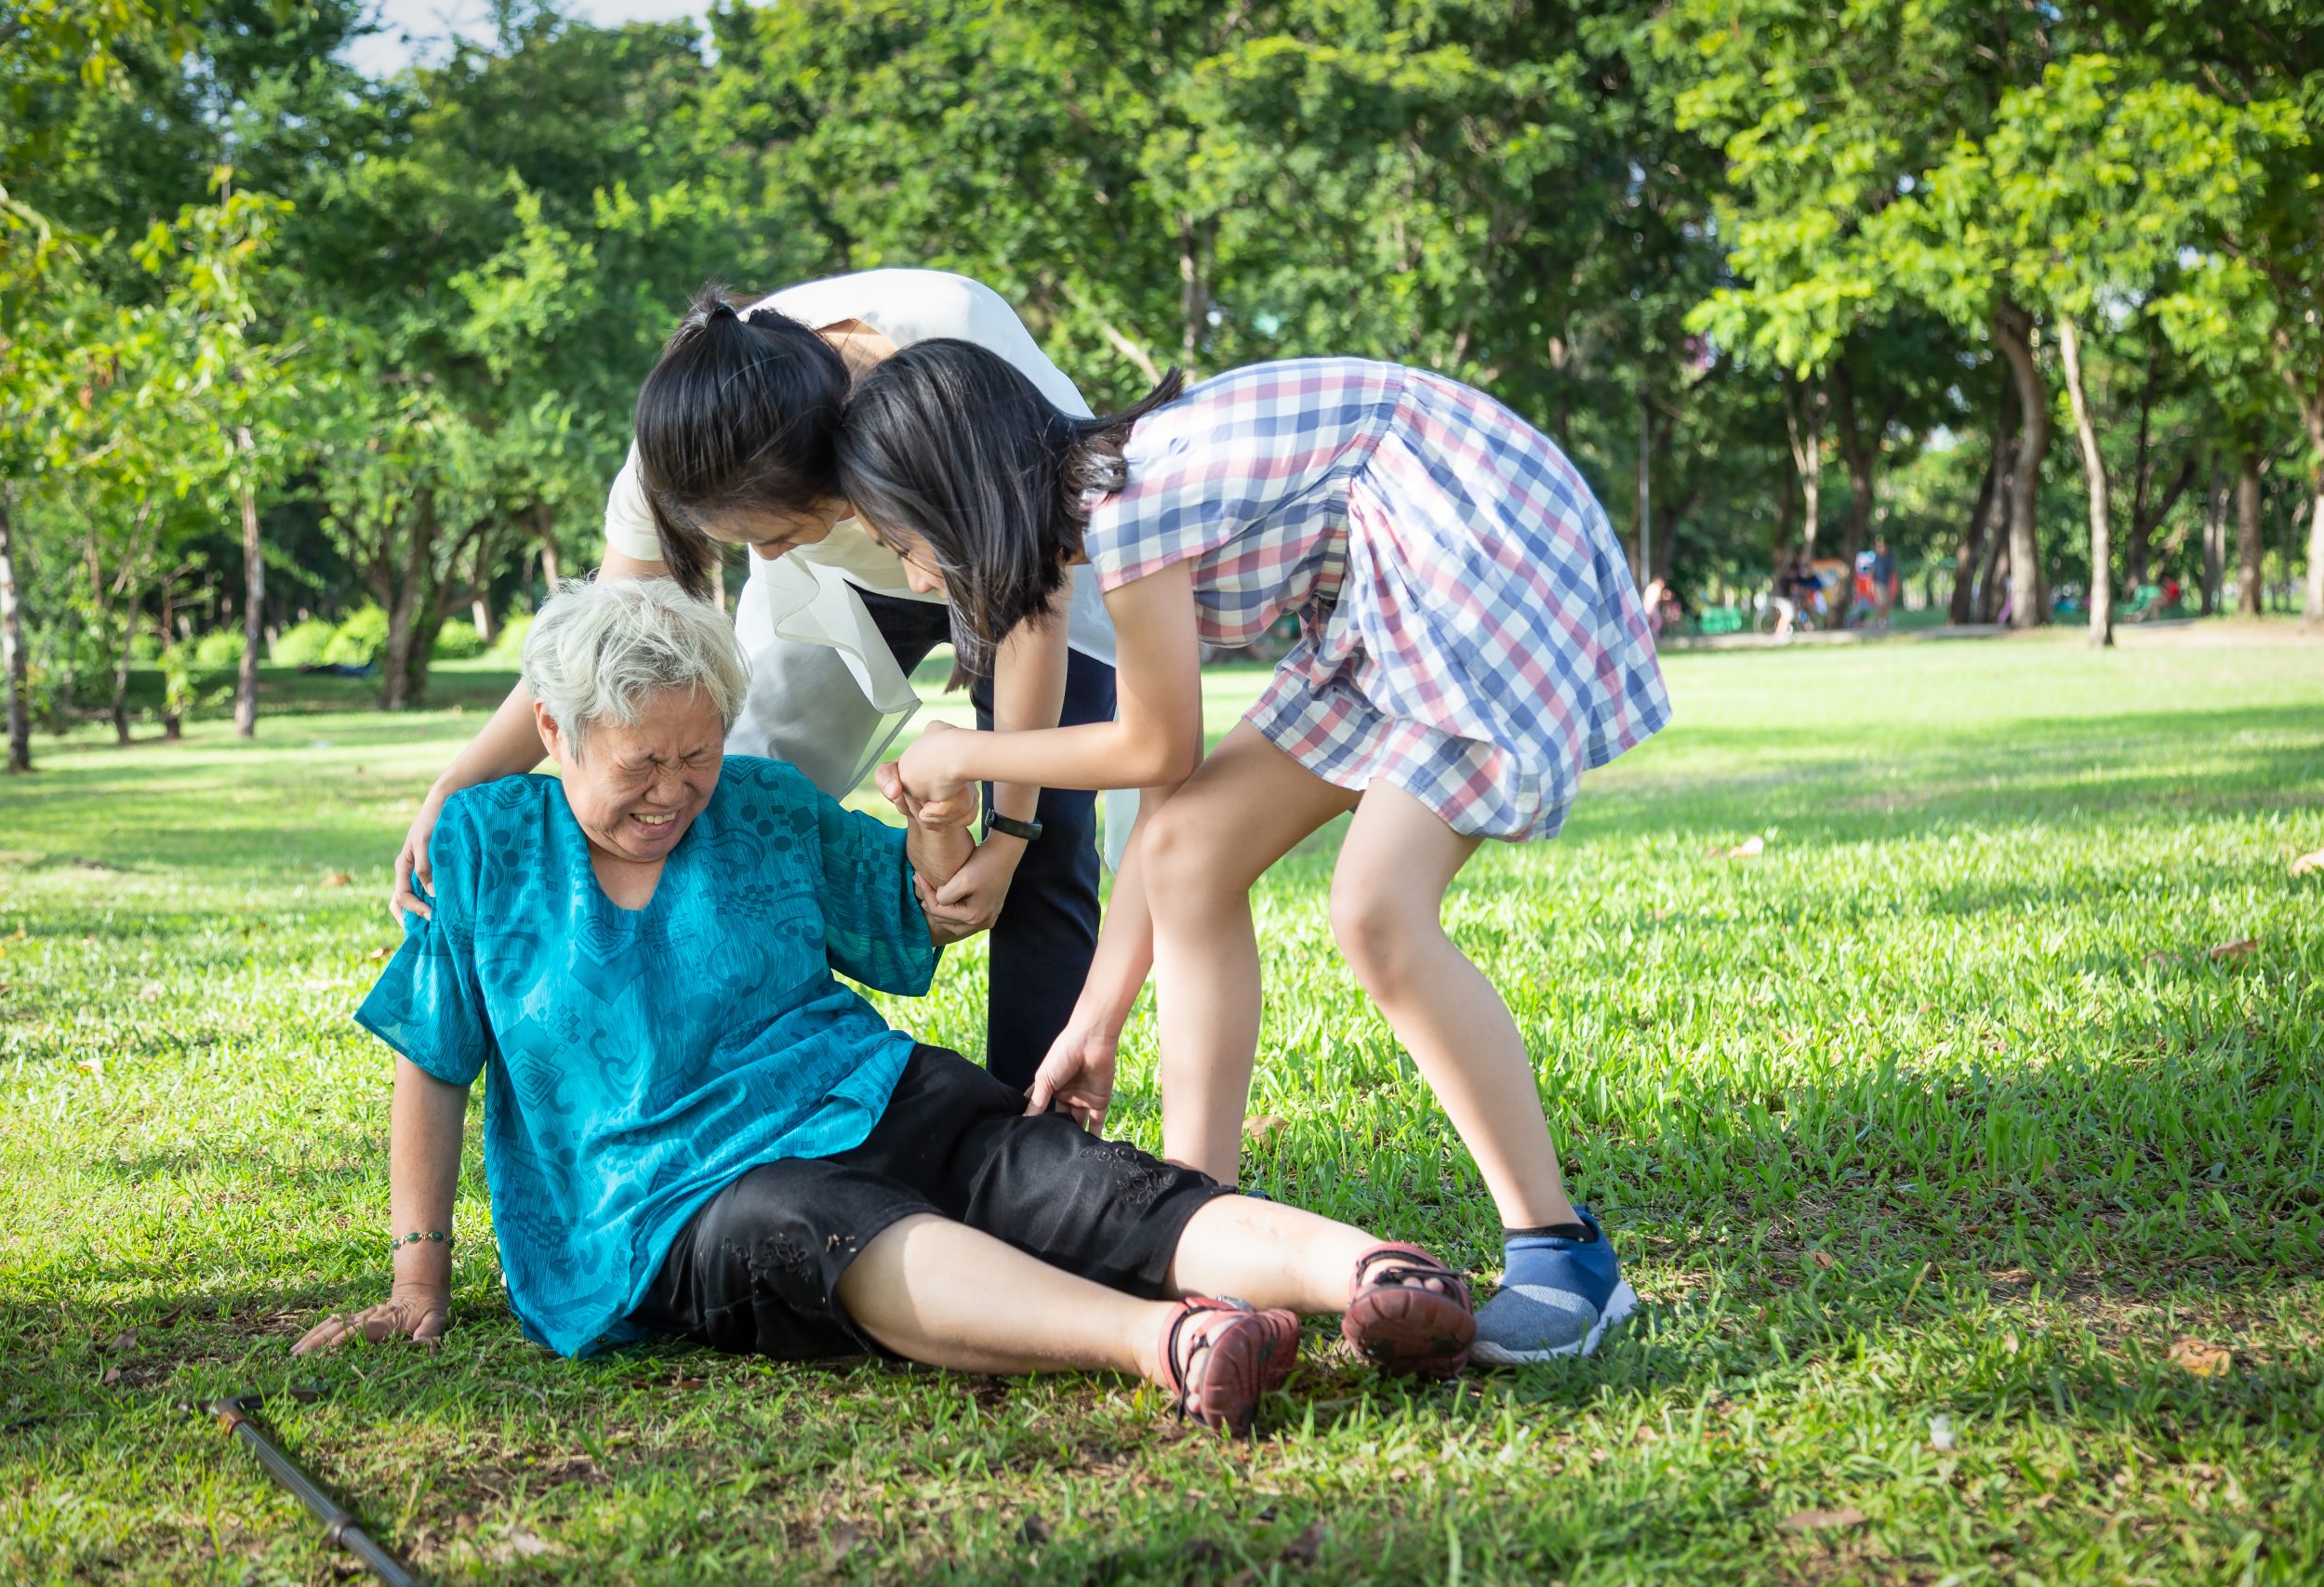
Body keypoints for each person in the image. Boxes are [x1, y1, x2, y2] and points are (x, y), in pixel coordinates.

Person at [297, 579, 1479, 1435]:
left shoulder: (761, 804)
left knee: (1072, 1179)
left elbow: (925, 913)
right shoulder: (484, 845)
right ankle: (1169, 1342)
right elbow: (433, 1062)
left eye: (697, 755)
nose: (675, 791)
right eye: (640, 764)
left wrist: (941, 818)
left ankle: (1383, 1276)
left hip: (867, 1091)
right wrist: (418, 1284)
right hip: (673, 1199)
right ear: (553, 734)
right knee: (831, 1230)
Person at [835, 346, 1668, 1365]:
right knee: (1193, 850)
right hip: (1385, 591)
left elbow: (1154, 746)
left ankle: (1562, 1253)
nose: (919, 577)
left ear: (958, 492)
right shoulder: (1104, 513)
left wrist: (965, 749)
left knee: (1375, 910)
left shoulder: (1127, 508)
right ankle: (1198, 1228)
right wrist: (1097, 1015)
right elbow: (1168, 807)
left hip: (1479, 549)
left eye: (907, 541)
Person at [391, 271, 1119, 1091]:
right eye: (744, 542)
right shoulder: (685, 444)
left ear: (834, 463)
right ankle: (719, 1071)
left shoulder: (952, 344)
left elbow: (1030, 608)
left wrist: (1011, 832)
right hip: (843, 586)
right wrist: (459, 780)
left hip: (1026, 553)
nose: (762, 556)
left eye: (772, 534)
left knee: (1049, 831)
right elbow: (596, 658)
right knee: (728, 798)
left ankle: (1041, 1113)